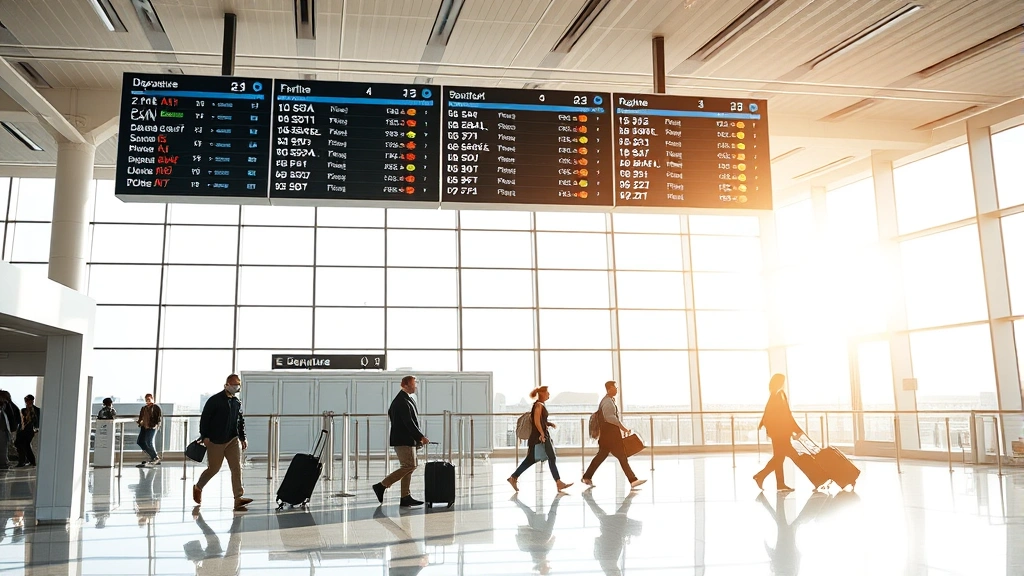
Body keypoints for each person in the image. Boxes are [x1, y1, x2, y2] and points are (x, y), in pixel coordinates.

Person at [193, 374, 252, 512]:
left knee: (236, 468)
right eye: (234, 384)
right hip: (216, 440)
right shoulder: (215, 400)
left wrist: (242, 438)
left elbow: (240, 422)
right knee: (214, 468)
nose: (236, 386)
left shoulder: (237, 403)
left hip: (232, 440)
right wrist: (205, 436)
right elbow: (205, 419)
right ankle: (198, 487)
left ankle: (238, 498)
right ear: (226, 384)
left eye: (238, 384)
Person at [373, 375, 429, 508]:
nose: (415, 386)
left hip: (406, 439)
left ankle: (405, 497)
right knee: (409, 466)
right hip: (403, 440)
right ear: (405, 385)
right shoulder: (401, 402)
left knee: (409, 467)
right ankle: (381, 486)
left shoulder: (405, 399)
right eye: (413, 384)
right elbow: (408, 423)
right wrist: (420, 437)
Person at [581, 381, 646, 490]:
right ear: (609, 388)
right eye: (615, 387)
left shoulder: (608, 401)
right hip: (611, 436)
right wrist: (623, 428)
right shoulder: (607, 402)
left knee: (602, 456)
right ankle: (633, 480)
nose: (616, 389)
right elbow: (610, 418)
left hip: (607, 436)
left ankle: (587, 477)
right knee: (621, 456)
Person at [507, 386, 573, 493]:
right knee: (550, 457)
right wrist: (542, 434)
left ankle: (513, 477)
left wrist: (548, 424)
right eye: (547, 392)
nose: (549, 394)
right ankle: (558, 482)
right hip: (539, 437)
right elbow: (536, 422)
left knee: (532, 459)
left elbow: (540, 421)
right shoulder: (538, 405)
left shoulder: (540, 404)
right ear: (542, 393)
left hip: (539, 436)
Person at [753, 373, 804, 492]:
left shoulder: (774, 395)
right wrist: (797, 430)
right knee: (786, 457)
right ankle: (762, 476)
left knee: (779, 457)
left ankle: (773, 481)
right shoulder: (780, 395)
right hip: (781, 434)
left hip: (778, 433)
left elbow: (769, 414)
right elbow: (787, 415)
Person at [583, 490, 642, 576]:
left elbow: (603, 546)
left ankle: (630, 496)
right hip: (611, 532)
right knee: (604, 514)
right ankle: (587, 496)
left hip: (612, 532)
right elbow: (599, 545)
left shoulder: (608, 564)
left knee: (618, 514)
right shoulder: (607, 562)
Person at [512, 492, 565, 575]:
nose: (549, 567)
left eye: (547, 569)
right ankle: (515, 500)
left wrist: (550, 542)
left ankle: (516, 500)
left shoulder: (536, 559)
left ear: (542, 570)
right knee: (536, 514)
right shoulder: (541, 558)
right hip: (544, 532)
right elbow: (546, 546)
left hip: (540, 532)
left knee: (537, 514)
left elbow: (538, 547)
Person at [136, 393, 162, 467]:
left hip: (151, 427)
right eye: (146, 399)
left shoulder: (155, 407)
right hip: (144, 426)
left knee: (148, 442)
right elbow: (141, 417)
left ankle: (155, 457)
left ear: (152, 398)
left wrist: (156, 425)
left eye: (149, 398)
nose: (147, 400)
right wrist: (139, 422)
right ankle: (153, 456)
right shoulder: (144, 408)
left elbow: (158, 418)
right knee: (140, 441)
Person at [16, 395, 40, 468]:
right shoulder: (23, 410)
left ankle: (23, 461)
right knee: (24, 445)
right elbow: (22, 421)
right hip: (23, 430)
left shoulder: (36, 410)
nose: (26, 402)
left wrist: (36, 428)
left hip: (29, 430)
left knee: (23, 444)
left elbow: (36, 421)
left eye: (27, 400)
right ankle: (30, 461)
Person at [0, 391, 19, 471]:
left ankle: (3, 463)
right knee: (3, 447)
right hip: (4, 429)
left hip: (3, 429)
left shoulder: (5, 405)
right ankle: (3, 463)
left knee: (3, 447)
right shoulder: (7, 405)